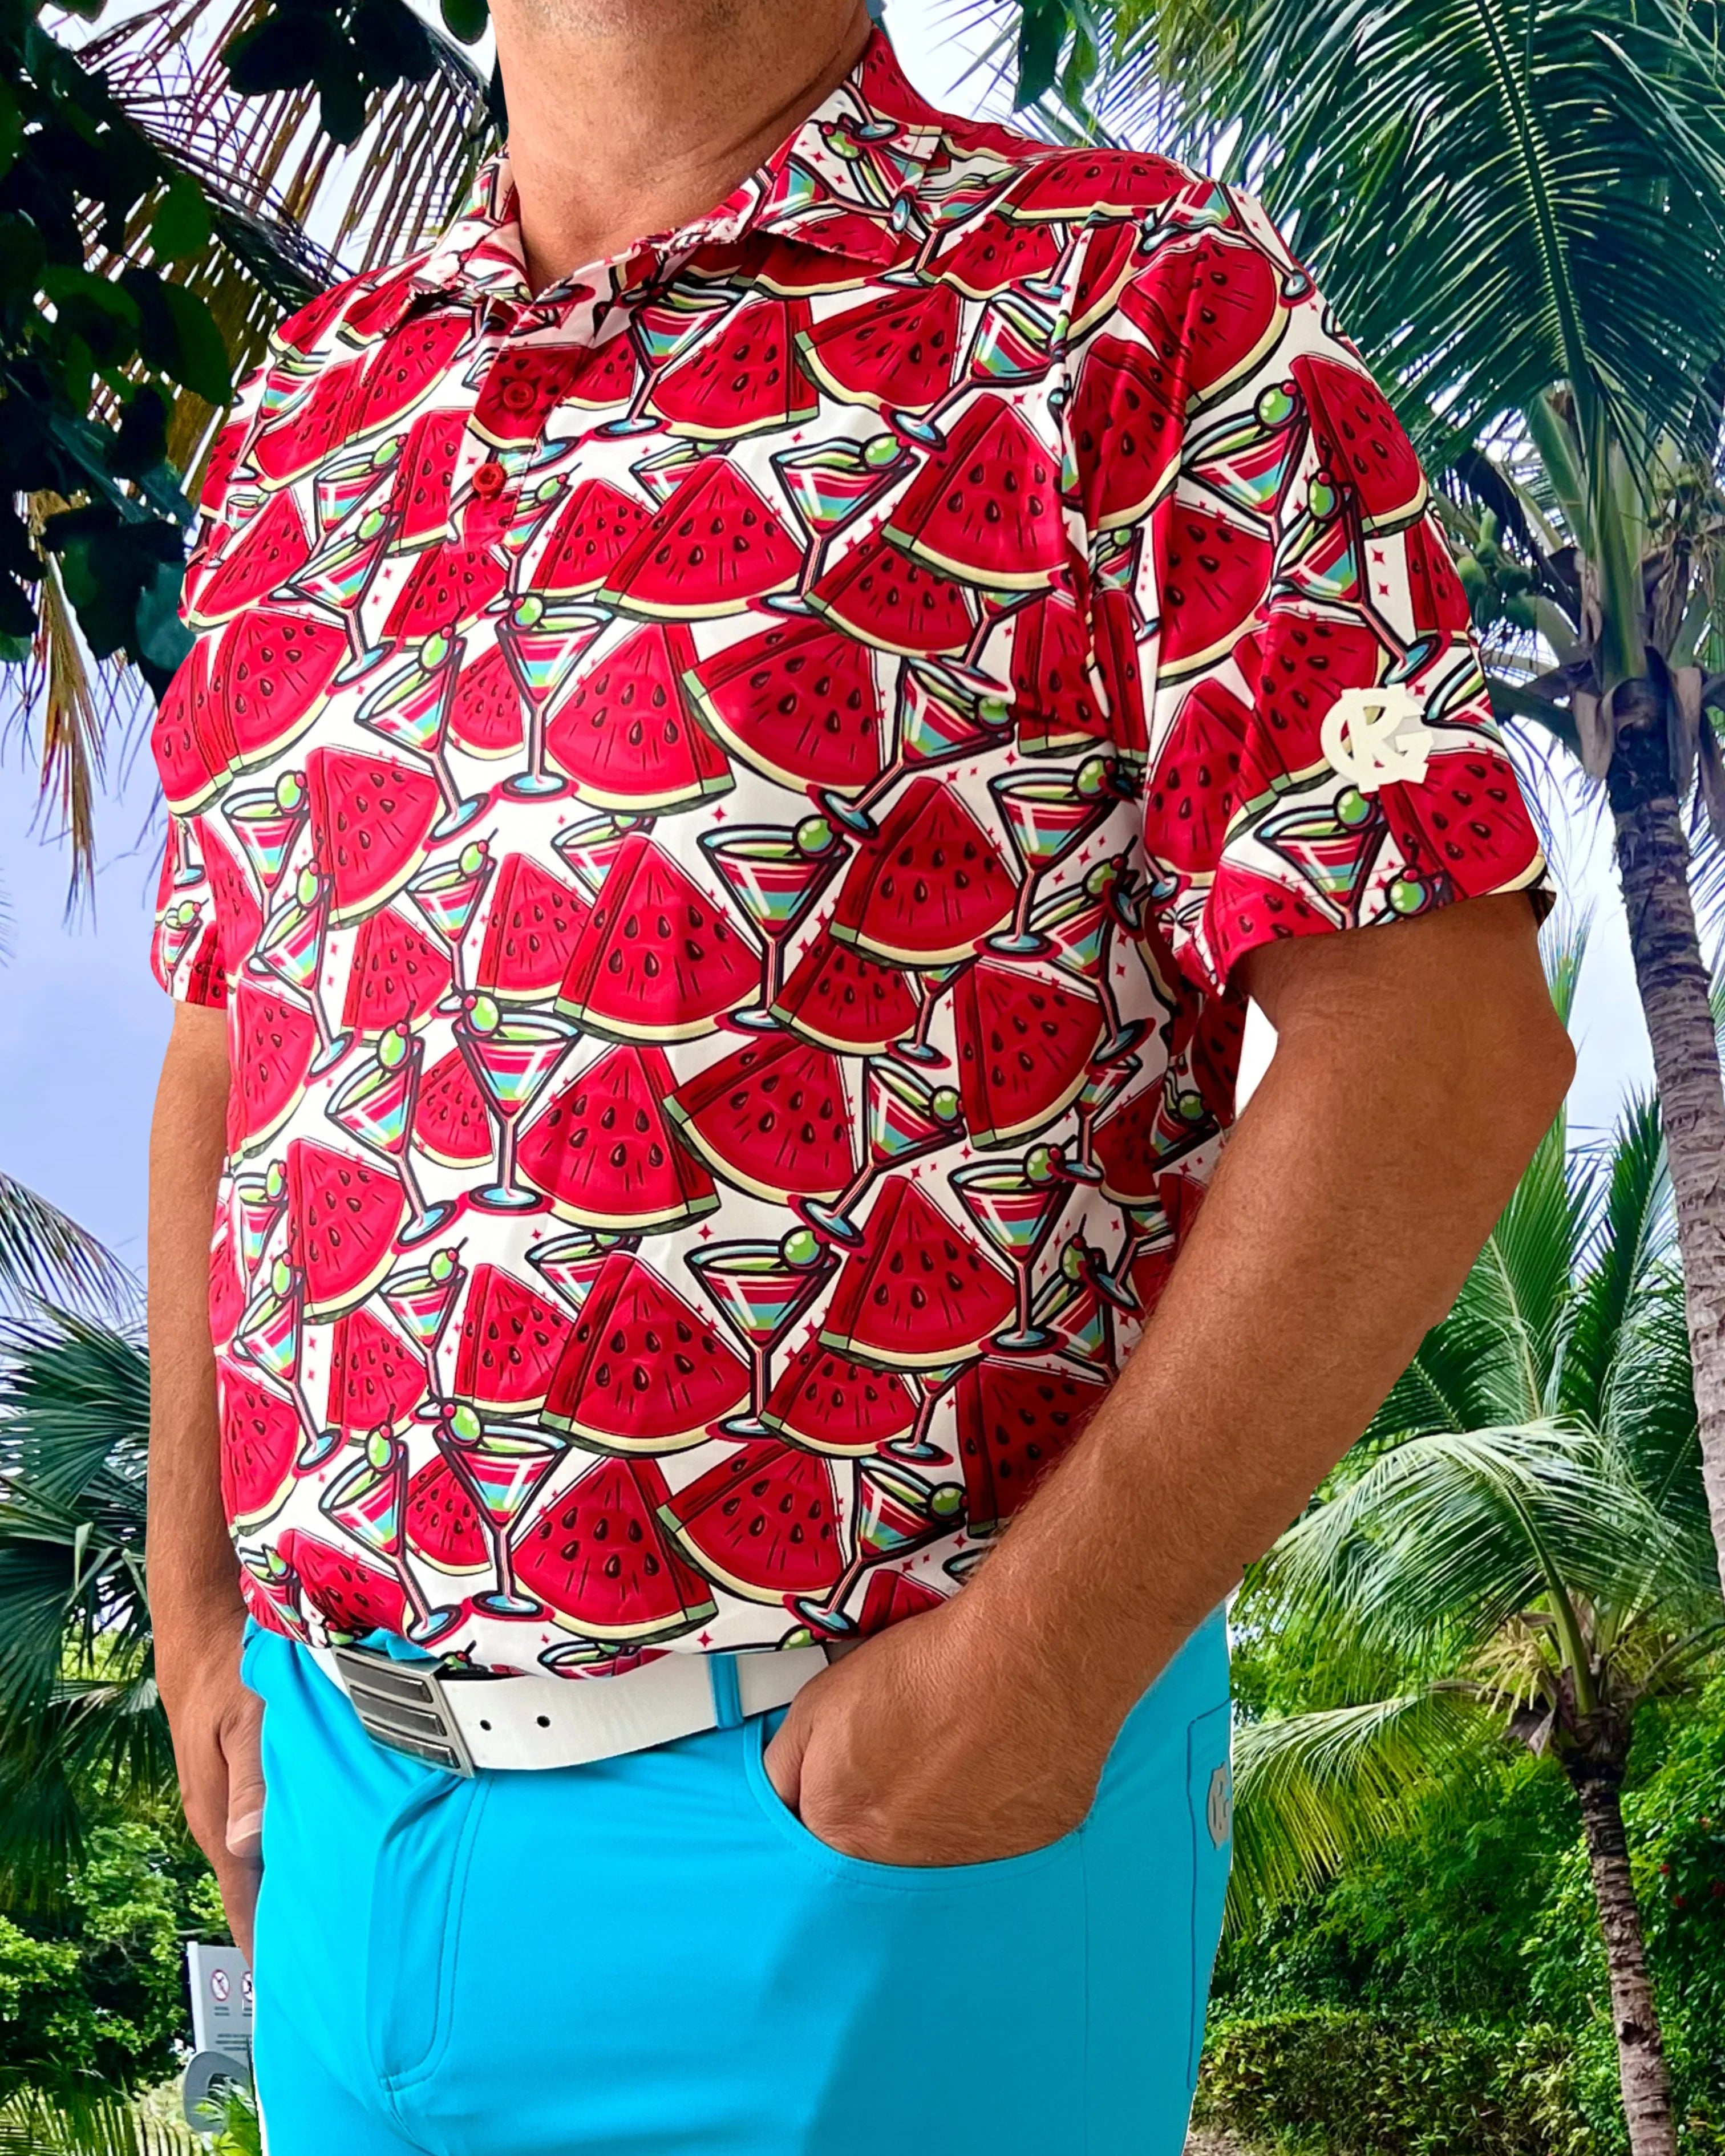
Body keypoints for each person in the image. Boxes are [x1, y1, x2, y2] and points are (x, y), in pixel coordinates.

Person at [145, 0, 1573, 2143]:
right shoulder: (307, 419)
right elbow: (227, 1023)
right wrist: (194, 1616)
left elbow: (1446, 1046)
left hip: (870, 1849)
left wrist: (1038, 1679)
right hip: (354, 1843)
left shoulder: (1139, 307)